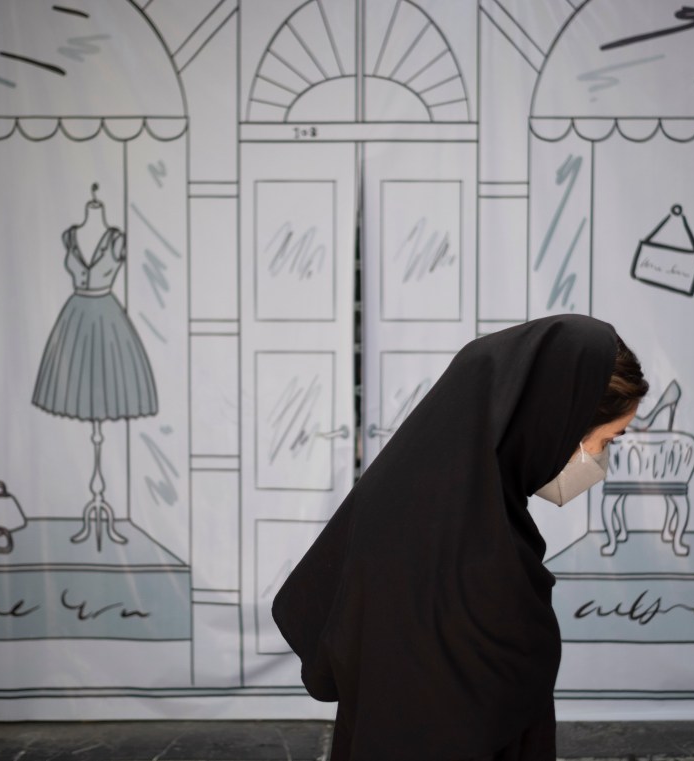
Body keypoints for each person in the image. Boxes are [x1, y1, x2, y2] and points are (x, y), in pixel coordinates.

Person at [273, 314, 648, 761]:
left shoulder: (427, 504)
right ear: (556, 421)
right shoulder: (465, 552)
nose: (601, 461)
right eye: (608, 440)